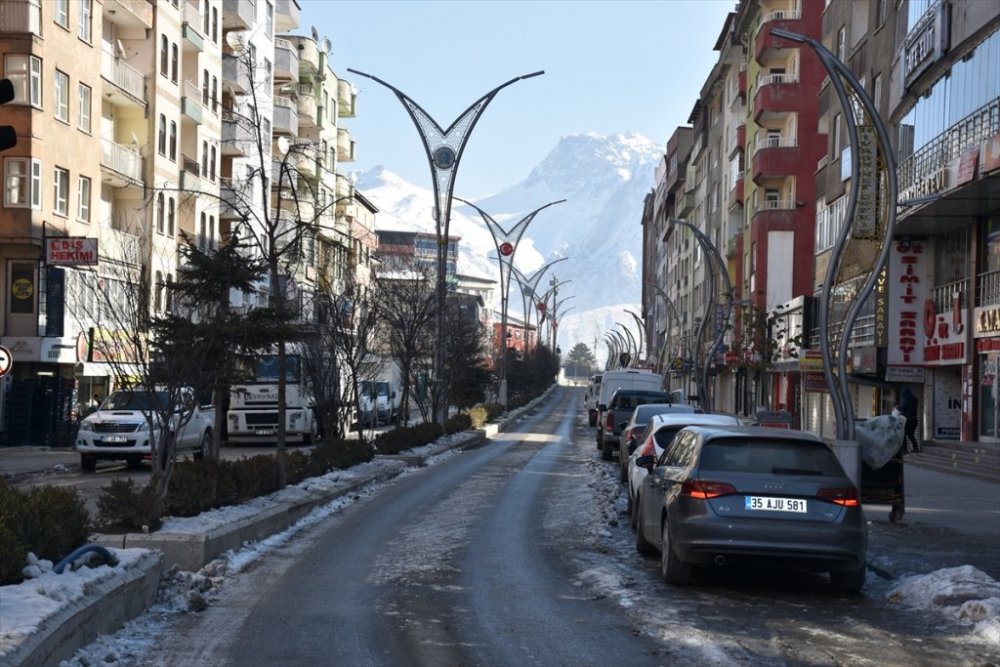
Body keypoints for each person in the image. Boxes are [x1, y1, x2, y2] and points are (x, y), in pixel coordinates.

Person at [899, 386, 919, 453]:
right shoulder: (915, 399)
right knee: (910, 435)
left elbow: (904, 407)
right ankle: (915, 448)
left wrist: (898, 408)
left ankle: (905, 449)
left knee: (904, 434)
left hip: (909, 420)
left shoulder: (907, 399)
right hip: (914, 420)